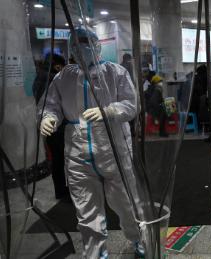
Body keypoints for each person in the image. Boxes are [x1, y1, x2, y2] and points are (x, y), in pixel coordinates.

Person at [38, 27, 144, 258]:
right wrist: (49, 117)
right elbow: (51, 104)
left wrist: (109, 110)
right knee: (86, 211)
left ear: (97, 45)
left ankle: (138, 240)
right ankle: (96, 253)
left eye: (86, 42)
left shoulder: (115, 72)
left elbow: (131, 105)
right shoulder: (63, 76)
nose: (81, 47)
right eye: (76, 43)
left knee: (126, 203)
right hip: (78, 152)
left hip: (113, 148)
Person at [33, 53, 70, 201]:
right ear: (57, 66)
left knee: (58, 159)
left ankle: (61, 190)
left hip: (51, 126)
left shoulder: (40, 76)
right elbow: (51, 105)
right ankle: (61, 191)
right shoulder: (51, 79)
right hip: (55, 127)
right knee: (59, 160)